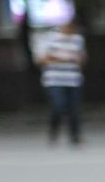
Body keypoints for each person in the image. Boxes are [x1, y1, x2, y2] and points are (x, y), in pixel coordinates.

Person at [36, 18, 86, 146]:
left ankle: (75, 135)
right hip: (54, 79)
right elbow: (41, 59)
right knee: (58, 105)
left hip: (73, 79)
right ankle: (54, 130)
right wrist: (62, 58)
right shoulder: (49, 38)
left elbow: (81, 59)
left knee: (74, 109)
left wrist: (75, 59)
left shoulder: (77, 40)